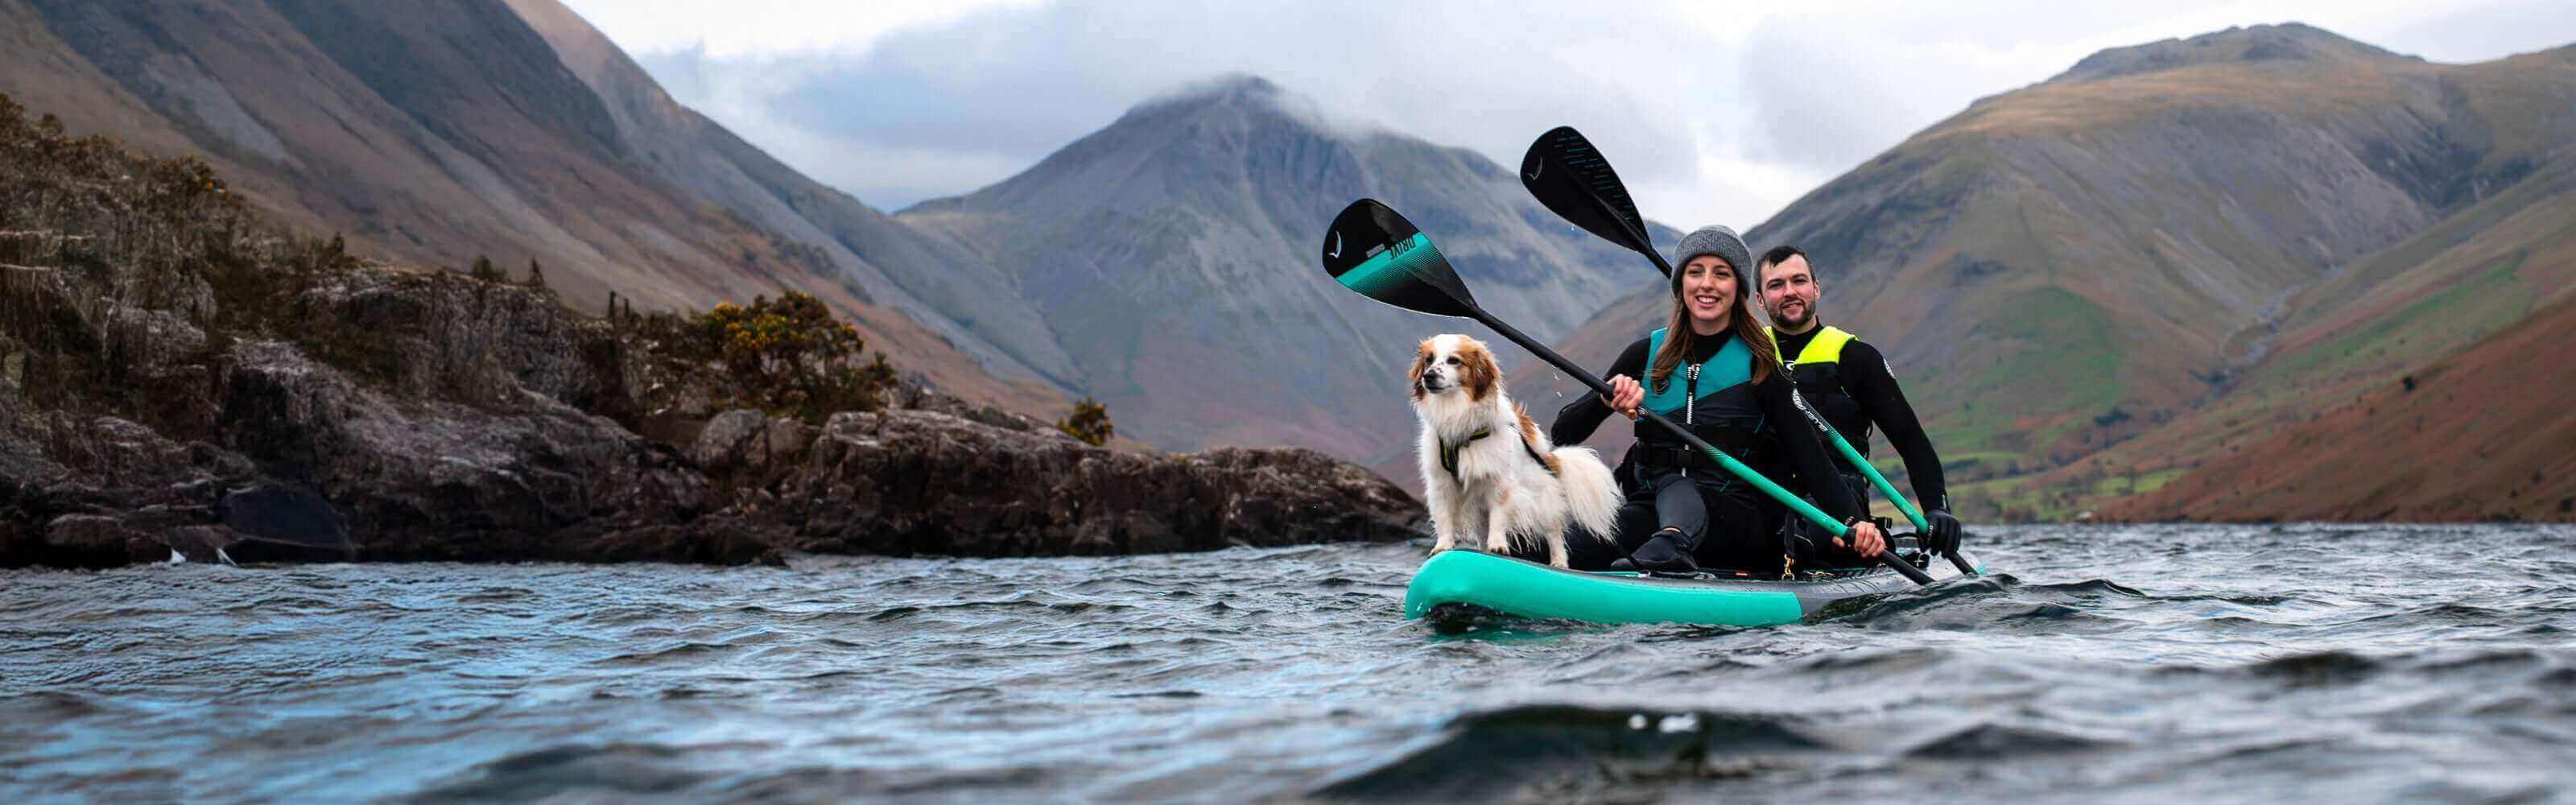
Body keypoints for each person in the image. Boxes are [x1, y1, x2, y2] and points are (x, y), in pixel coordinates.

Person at [1550, 225, 1884, 575]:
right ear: (1681, 285)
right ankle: (1660, 546)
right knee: (1561, 545)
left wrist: (1856, 523)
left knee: (1679, 486)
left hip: (1737, 521)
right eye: (1696, 272)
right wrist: (1605, 400)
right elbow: (1562, 433)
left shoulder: (1760, 365)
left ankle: (1672, 545)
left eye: (1721, 274)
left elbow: (1811, 459)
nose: (1707, 284)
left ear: (1738, 288)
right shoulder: (1644, 354)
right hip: (1651, 512)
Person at [1753, 246, 1963, 555]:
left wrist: (1937, 507)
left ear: (1816, 288)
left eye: (1799, 281)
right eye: (1776, 285)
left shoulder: (1856, 358)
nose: (1789, 292)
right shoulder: (1747, 355)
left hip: (1841, 509)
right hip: (1765, 496)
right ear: (1759, 300)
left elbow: (1911, 441)